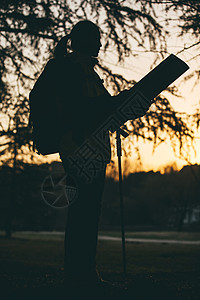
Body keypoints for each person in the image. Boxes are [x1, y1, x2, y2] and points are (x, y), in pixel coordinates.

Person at [54, 20, 127, 290]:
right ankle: (79, 277)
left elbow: (101, 110)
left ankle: (84, 274)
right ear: (82, 41)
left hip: (92, 152)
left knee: (86, 214)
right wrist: (117, 103)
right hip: (80, 151)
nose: (99, 44)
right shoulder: (72, 70)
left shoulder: (86, 71)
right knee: (83, 215)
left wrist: (123, 105)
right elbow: (81, 110)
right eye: (95, 39)